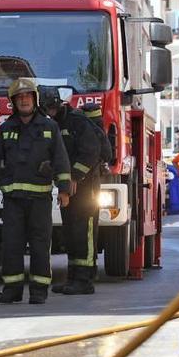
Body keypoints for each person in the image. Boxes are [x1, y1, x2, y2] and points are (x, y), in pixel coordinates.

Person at [0, 78, 71, 304]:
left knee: (40, 244)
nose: (24, 101)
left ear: (35, 99)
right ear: (13, 102)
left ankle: (39, 291)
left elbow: (61, 160)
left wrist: (64, 190)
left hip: (39, 198)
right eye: (20, 98)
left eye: (27, 97)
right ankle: (12, 289)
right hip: (12, 199)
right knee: (11, 244)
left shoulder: (49, 127)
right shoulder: (6, 128)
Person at [40, 87, 102, 295]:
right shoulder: (52, 124)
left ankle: (85, 280)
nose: (49, 113)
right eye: (46, 109)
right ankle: (74, 277)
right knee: (70, 231)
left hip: (86, 187)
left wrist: (74, 176)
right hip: (68, 186)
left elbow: (91, 152)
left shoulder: (77, 122)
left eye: (51, 108)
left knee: (84, 230)